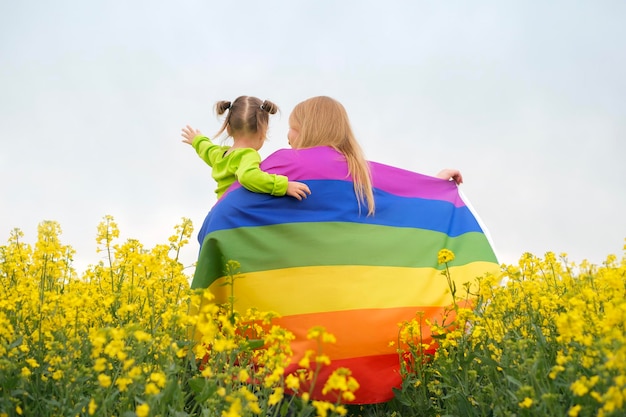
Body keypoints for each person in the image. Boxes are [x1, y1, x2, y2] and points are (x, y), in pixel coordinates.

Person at [190, 96, 498, 404]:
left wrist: (213, 237)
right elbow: (398, 198)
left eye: (293, 129)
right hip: (361, 332)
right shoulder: (360, 171)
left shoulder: (285, 164)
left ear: (308, 129)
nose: (287, 136)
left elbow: (228, 209)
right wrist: (435, 186)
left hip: (301, 331)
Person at [181, 95, 311, 200]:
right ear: (263, 132)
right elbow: (248, 176)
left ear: (228, 129)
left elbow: (207, 149)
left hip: (220, 210)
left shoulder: (220, 155)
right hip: (236, 213)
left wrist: (197, 140)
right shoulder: (247, 155)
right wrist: (284, 186)